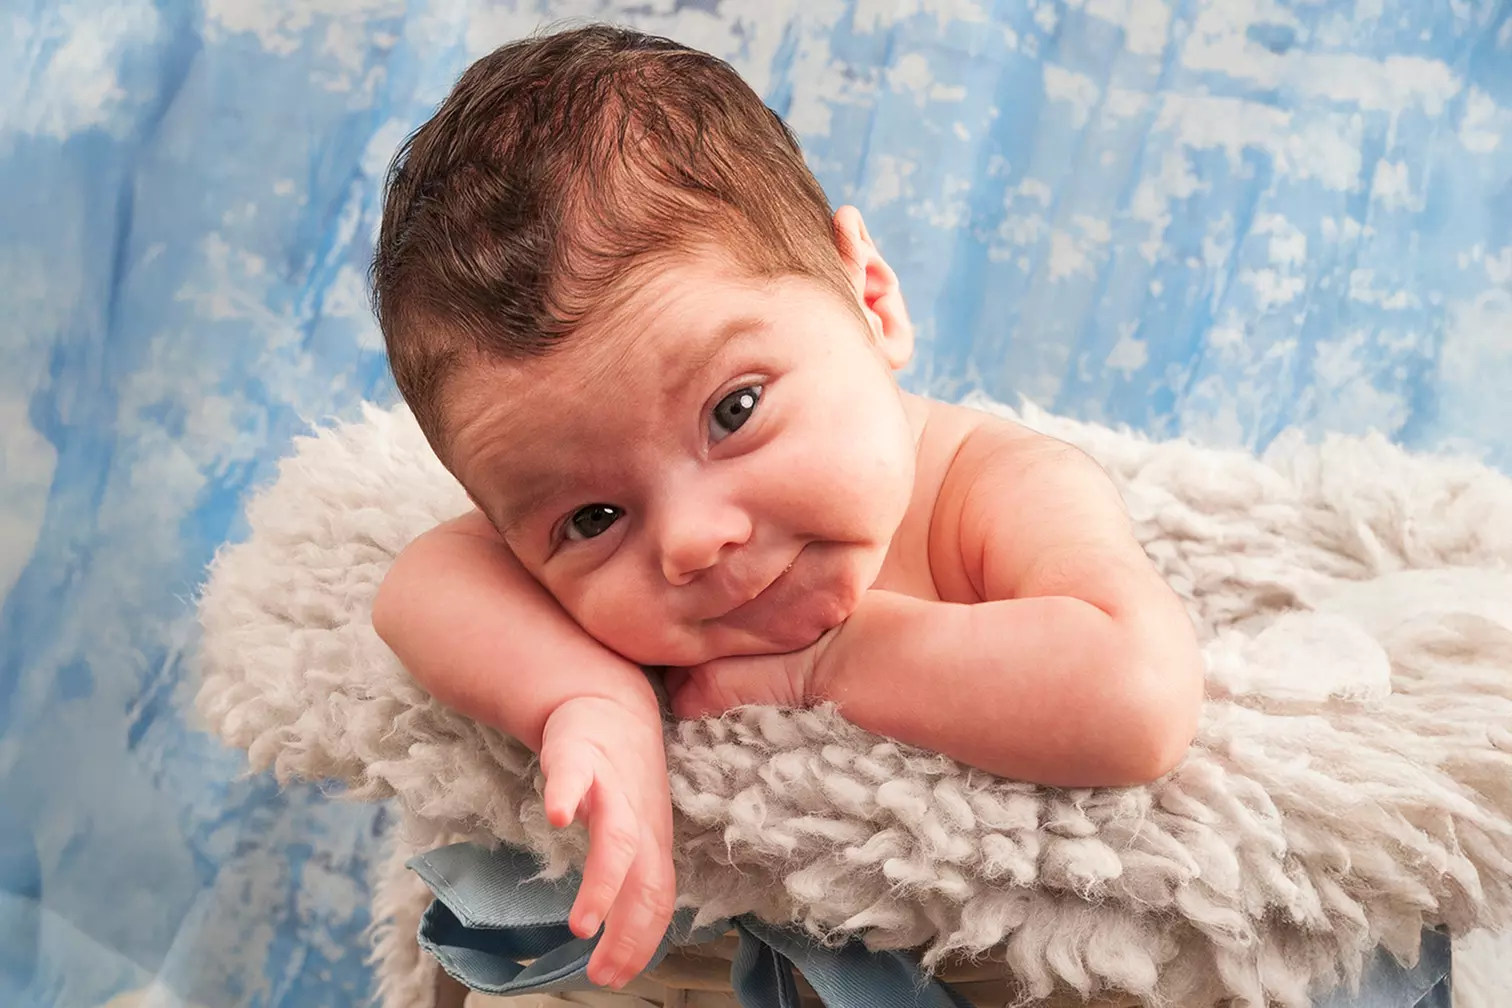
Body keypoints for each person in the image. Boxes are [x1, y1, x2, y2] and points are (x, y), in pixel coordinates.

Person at [367, 23, 1204, 993]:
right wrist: (584, 699)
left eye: (735, 411)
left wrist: (829, 661)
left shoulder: (991, 488)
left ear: (871, 300)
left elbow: (1136, 694)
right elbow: (418, 585)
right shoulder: (606, 545)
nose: (688, 539)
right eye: (592, 520)